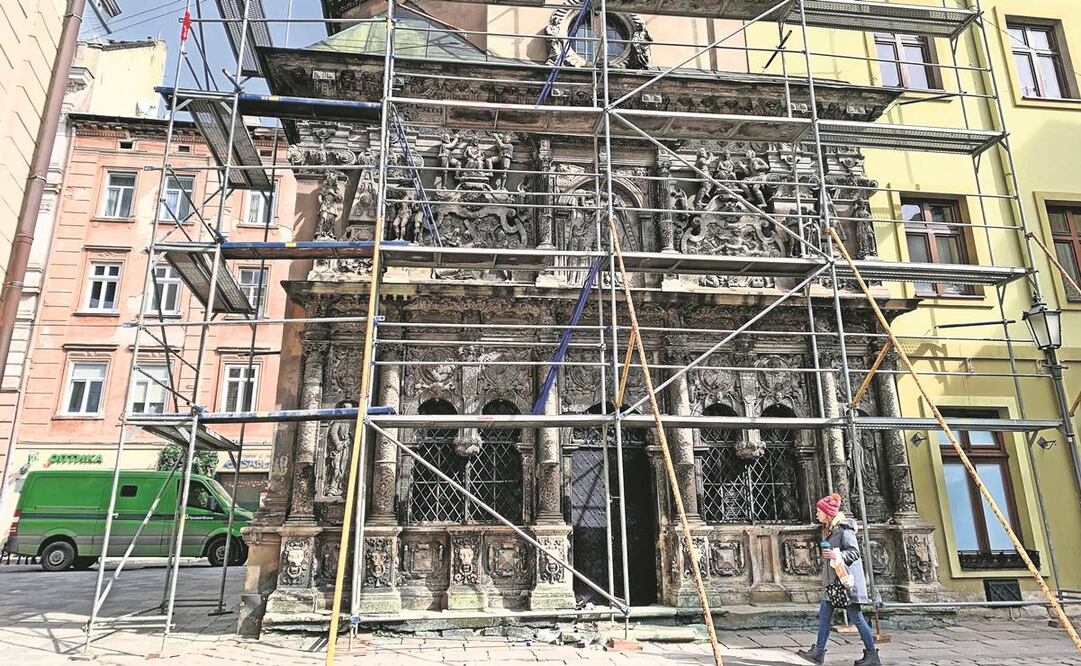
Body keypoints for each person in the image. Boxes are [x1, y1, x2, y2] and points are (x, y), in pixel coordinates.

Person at [797, 493, 881, 666]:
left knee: (857, 618)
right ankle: (818, 652)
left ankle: (872, 655)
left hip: (844, 584)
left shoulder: (844, 530)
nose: (816, 514)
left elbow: (854, 552)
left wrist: (837, 554)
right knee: (824, 617)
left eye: (819, 511)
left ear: (827, 513)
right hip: (833, 584)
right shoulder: (830, 530)